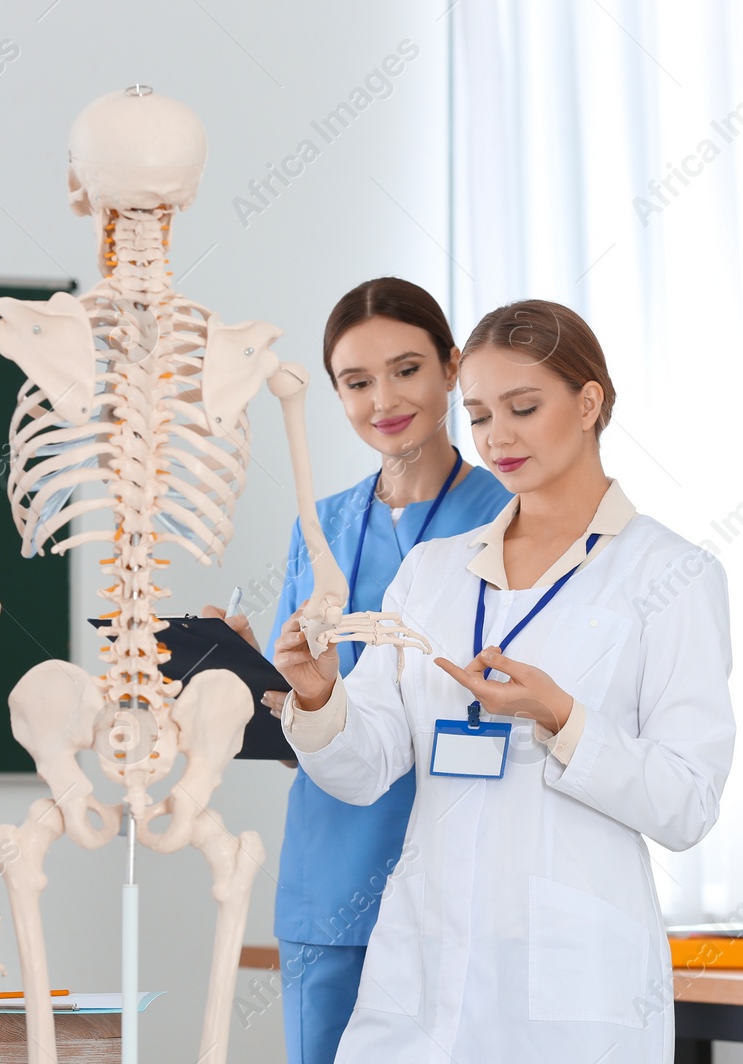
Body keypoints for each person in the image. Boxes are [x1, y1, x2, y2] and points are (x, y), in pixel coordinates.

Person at [273, 299, 735, 1062]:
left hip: (571, 986)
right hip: (418, 978)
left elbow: (688, 803)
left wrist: (561, 716)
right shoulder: (433, 574)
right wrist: (321, 695)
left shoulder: (671, 575)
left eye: (524, 407)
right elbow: (366, 769)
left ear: (589, 402)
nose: (498, 438)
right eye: (481, 414)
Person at [212, 278, 511, 1063]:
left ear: (452, 369)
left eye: (407, 370)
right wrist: (243, 669)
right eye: (356, 381)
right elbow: (290, 730)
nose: (384, 398)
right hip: (331, 878)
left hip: (457, 872)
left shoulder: (506, 517)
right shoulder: (323, 524)